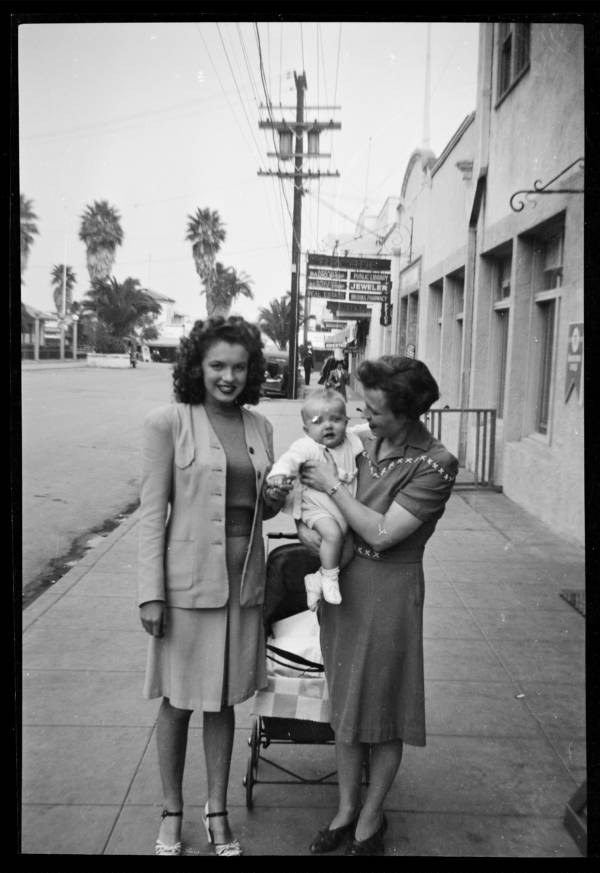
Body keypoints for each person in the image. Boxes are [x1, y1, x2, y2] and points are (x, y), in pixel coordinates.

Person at [137, 316, 291, 856]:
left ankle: (217, 810)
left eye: (239, 366)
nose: (228, 376)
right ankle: (172, 811)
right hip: (185, 586)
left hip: (242, 580)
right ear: (196, 367)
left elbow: (264, 508)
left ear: (252, 371)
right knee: (179, 701)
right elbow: (152, 513)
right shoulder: (168, 422)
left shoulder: (260, 427)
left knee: (222, 701)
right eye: (217, 365)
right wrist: (149, 592)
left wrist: (276, 496)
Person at [298, 355, 458, 856]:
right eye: (363, 409)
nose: (366, 419)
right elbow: (319, 512)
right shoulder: (361, 442)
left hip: (390, 591)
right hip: (344, 586)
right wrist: (310, 528)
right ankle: (346, 807)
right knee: (346, 703)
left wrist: (332, 487)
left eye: (377, 412)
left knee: (385, 707)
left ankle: (371, 816)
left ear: (409, 413)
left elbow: (383, 533)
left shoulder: (435, 463)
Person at [265, 387, 363, 610]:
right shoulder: (307, 446)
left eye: (336, 419)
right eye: (318, 421)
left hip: (340, 509)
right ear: (306, 428)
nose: (328, 425)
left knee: (347, 552)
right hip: (316, 507)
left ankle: (316, 578)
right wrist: (278, 476)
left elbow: (366, 429)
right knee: (332, 534)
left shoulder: (351, 441)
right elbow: (289, 460)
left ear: (346, 423)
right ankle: (329, 578)